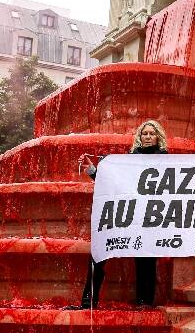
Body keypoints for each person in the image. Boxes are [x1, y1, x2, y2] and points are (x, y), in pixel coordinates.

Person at [66, 120, 169, 311]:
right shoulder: (127, 160)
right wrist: (93, 171)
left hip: (149, 217)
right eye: (144, 133)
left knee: (146, 258)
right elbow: (113, 184)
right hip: (125, 214)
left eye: (151, 133)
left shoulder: (168, 161)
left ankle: (144, 303)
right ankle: (88, 303)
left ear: (158, 137)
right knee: (99, 252)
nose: (147, 137)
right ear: (139, 137)